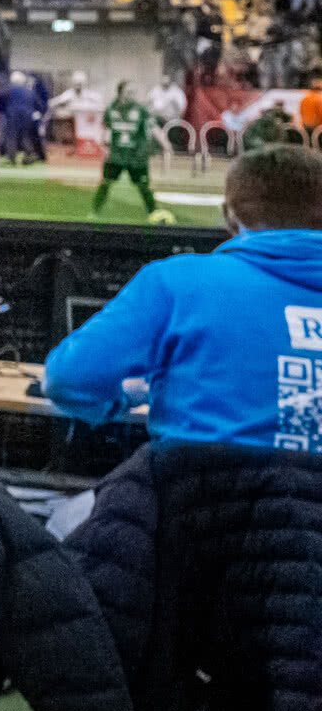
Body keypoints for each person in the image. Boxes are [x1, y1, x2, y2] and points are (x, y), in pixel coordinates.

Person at [46, 144, 322, 450]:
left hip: (201, 477)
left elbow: (68, 380)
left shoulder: (176, 281)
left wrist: (126, 399)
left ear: (229, 218)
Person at [91, 81, 173, 224]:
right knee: (105, 183)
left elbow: (153, 128)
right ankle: (94, 213)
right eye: (129, 92)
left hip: (136, 156)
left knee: (143, 186)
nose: (132, 95)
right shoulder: (111, 109)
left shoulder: (140, 110)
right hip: (116, 155)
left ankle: (154, 214)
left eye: (134, 92)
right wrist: (104, 147)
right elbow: (106, 130)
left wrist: (166, 144)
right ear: (121, 93)